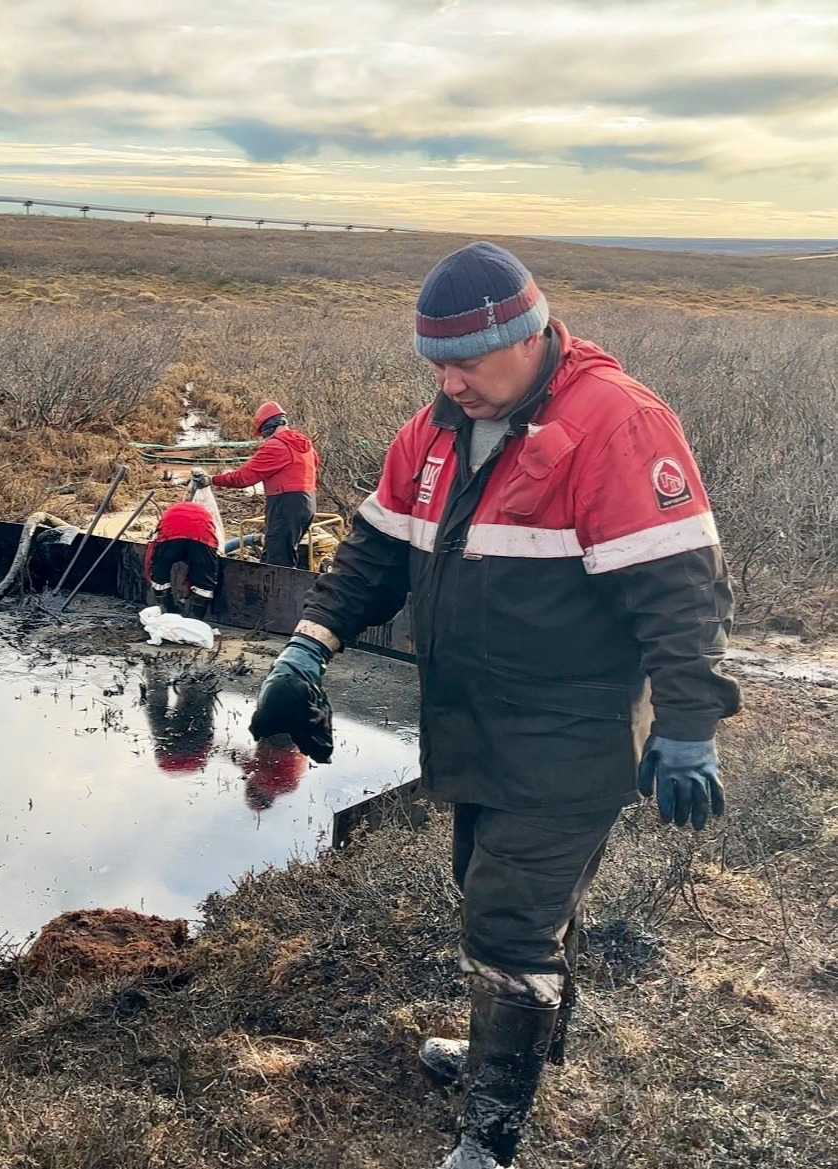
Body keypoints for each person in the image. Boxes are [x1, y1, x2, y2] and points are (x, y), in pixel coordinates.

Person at [247, 242, 740, 1169]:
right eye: (435, 359)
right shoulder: (429, 433)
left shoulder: (615, 426)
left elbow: (681, 590)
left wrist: (687, 726)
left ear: (527, 334)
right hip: (470, 723)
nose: (450, 379)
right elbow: (371, 556)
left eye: (467, 359)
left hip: (569, 732)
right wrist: (306, 649)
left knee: (508, 927)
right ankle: (521, 1043)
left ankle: (489, 1140)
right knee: (489, 889)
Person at [211, 401, 319, 568]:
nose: (264, 438)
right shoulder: (304, 443)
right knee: (281, 551)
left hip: (285, 505)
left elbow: (243, 478)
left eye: (263, 433)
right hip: (308, 504)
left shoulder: (275, 446)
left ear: (268, 427)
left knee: (278, 561)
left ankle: (278, 593)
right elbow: (315, 465)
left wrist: (212, 480)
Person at [146, 485, 222, 619]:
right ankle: (195, 620)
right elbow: (212, 545)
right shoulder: (205, 513)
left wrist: (152, 574)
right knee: (205, 582)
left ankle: (167, 612)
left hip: (171, 534)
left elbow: (151, 553)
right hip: (202, 536)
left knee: (160, 575)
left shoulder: (171, 510)